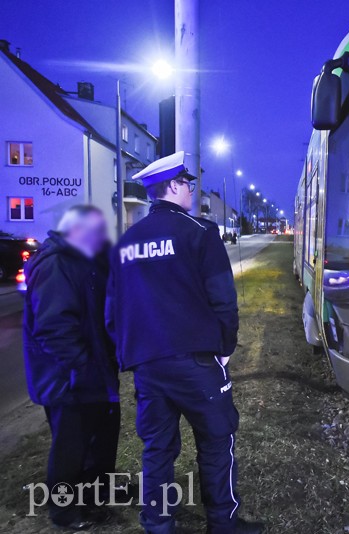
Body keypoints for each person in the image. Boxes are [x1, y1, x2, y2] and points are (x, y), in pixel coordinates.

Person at [105, 152, 263, 534]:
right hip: (196, 362)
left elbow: (113, 312)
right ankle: (222, 524)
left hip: (148, 364)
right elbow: (223, 298)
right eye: (187, 183)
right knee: (216, 439)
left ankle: (157, 525)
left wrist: (130, 354)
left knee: (157, 449)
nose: (192, 189)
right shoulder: (199, 232)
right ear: (172, 186)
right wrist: (226, 347)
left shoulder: (125, 243)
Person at [23, 205, 119, 531]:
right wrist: (81, 367)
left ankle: (93, 499)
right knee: (70, 448)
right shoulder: (55, 264)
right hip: (68, 380)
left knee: (98, 441)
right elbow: (53, 328)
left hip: (91, 373)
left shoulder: (82, 260)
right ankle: (64, 511)